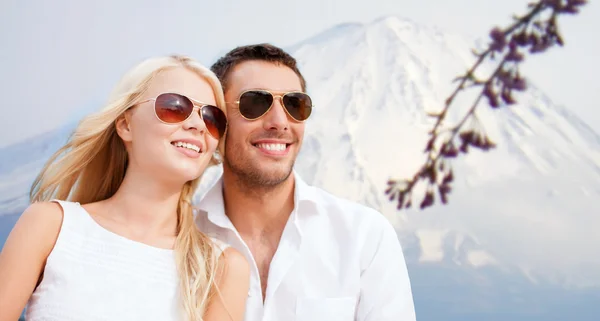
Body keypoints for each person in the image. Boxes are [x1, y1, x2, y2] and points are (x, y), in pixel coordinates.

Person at [0, 55, 250, 321]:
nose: (198, 125)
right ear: (125, 124)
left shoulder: (222, 267)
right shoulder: (50, 226)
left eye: (212, 118)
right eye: (175, 107)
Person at [194, 43, 416, 321]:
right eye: (255, 103)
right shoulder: (180, 241)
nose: (279, 122)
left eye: (294, 105)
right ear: (216, 120)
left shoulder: (364, 237)